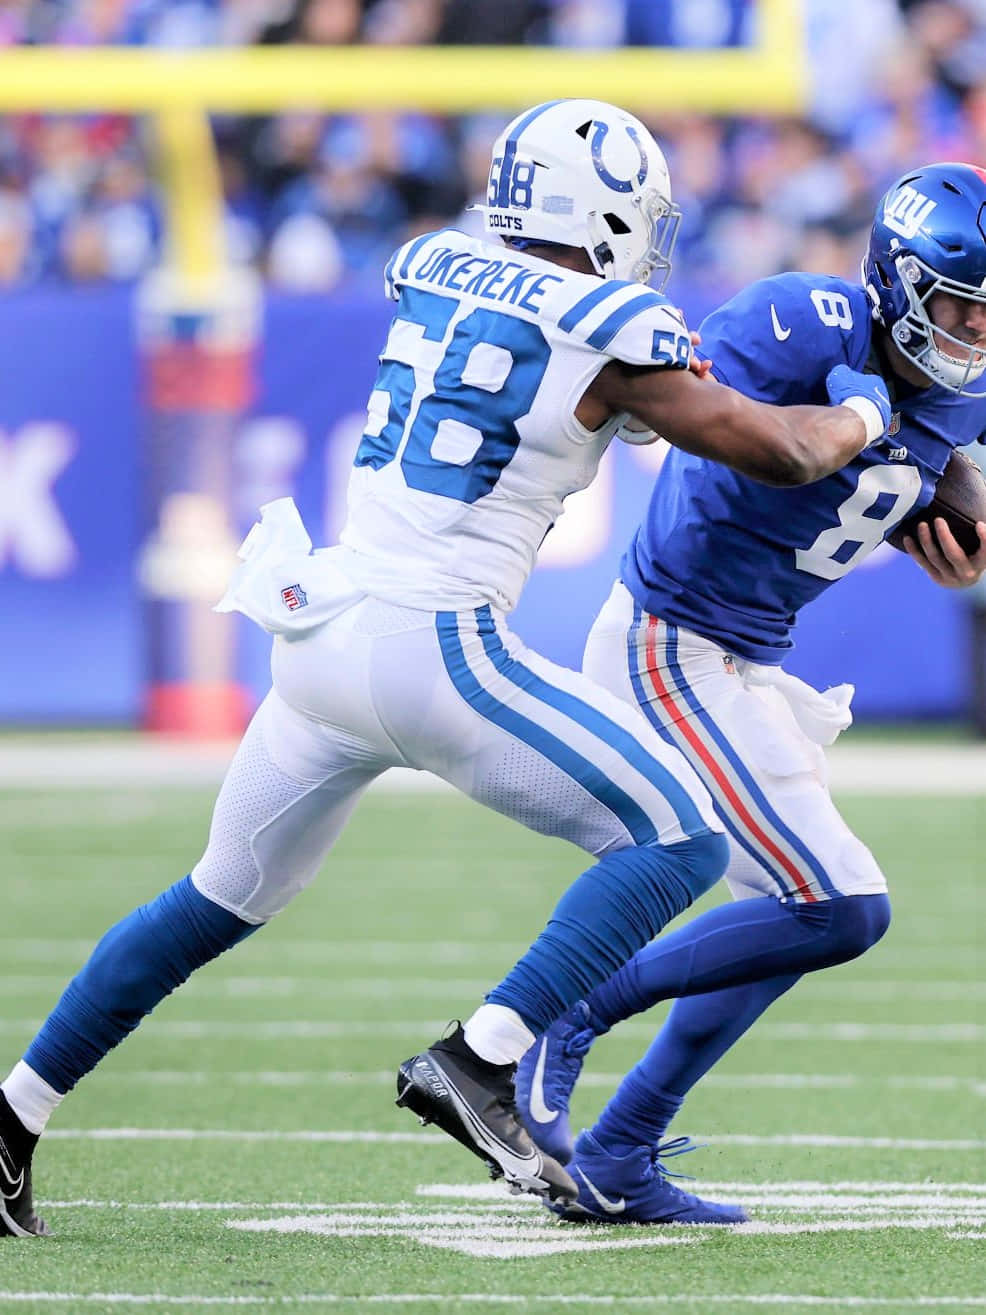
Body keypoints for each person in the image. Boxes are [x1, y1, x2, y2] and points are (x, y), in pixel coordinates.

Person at [0, 99, 894, 1238]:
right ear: (603, 210)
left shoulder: (434, 262)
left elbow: (563, 393)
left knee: (214, 897)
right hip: (433, 646)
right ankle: (485, 1055)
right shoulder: (612, 325)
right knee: (682, 835)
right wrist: (865, 413)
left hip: (320, 636)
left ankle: (13, 1114)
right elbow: (779, 449)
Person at [513, 161, 986, 1225]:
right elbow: (715, 424)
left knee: (785, 912)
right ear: (899, 282)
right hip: (667, 642)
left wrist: (941, 527)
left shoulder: (950, 398)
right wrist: (865, 439)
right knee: (838, 904)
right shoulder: (798, 319)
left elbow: (923, 478)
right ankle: (571, 1005)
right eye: (958, 306)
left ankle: (617, 1154)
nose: (970, 332)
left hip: (743, 660)